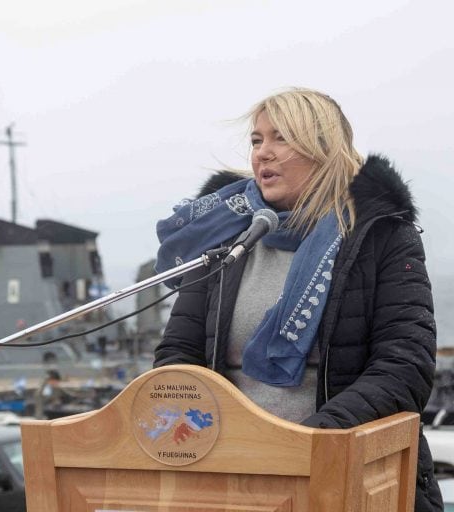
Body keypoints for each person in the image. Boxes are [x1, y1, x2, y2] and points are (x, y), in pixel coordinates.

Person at [152, 88, 441, 511]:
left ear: (323, 148)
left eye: (280, 138)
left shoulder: (382, 236)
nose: (262, 154)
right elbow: (178, 354)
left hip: (344, 475)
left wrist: (310, 443)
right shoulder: (225, 238)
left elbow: (404, 367)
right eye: (256, 140)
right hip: (228, 479)